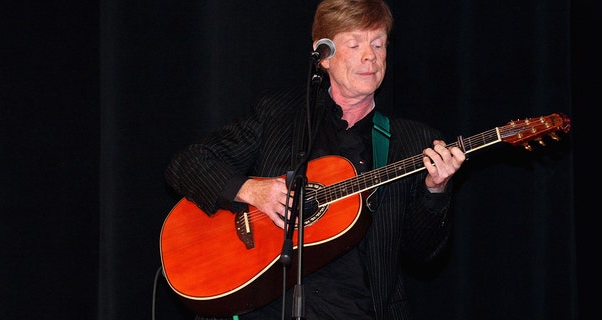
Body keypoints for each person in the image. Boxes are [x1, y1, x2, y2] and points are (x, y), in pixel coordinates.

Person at [164, 0, 466, 319]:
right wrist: (251, 190)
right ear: (323, 56)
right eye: (354, 43)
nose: (370, 56)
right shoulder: (278, 113)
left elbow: (423, 253)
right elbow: (188, 163)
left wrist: (436, 190)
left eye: (378, 44)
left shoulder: (412, 142)